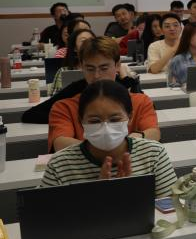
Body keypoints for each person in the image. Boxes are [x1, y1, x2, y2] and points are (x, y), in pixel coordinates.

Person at [40, 80, 176, 197]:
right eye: (94, 121)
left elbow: (172, 207)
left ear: (130, 117)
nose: (106, 128)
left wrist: (130, 197)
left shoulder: (153, 154)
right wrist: (100, 196)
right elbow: (46, 215)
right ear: (81, 121)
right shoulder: (59, 165)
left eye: (115, 119)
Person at [48, 37, 160, 151]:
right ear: (81, 66)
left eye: (104, 68)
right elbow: (60, 143)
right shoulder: (64, 107)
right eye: (90, 69)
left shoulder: (141, 101)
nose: (97, 75)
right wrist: (108, 151)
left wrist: (137, 137)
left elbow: (154, 133)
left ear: (117, 65)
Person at [50, 28, 96, 94]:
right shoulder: (64, 71)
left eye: (91, 40)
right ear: (75, 48)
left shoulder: (102, 69)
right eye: (83, 41)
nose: (89, 44)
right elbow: (55, 97)